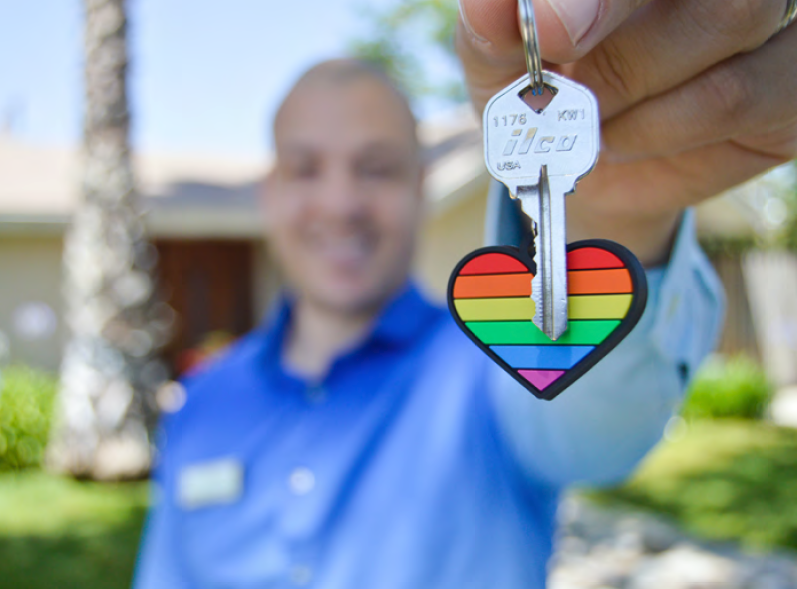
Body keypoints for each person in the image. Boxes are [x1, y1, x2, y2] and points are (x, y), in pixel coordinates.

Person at [135, 0, 796, 586]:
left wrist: (617, 218)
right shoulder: (202, 405)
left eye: (377, 168)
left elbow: (599, 437)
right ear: (270, 193)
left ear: (420, 186)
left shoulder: (494, 360)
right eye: (307, 169)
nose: (340, 203)